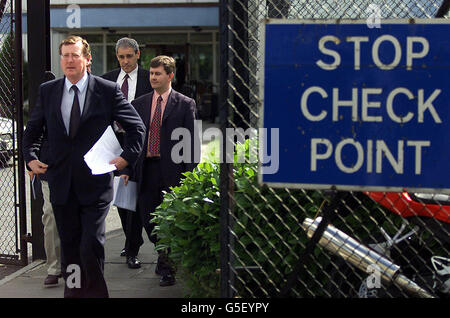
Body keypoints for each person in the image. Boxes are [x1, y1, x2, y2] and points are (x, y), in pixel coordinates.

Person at [22, 35, 145, 298]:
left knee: (90, 244)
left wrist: (126, 158)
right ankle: (75, 293)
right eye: (65, 55)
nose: (69, 60)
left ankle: (96, 294)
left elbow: (136, 127)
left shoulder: (106, 90)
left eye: (74, 55)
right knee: (70, 246)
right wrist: (30, 157)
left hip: (95, 184)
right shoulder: (49, 91)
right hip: (61, 183)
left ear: (87, 59)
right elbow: (32, 130)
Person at [123, 55, 200, 287]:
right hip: (146, 170)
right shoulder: (140, 104)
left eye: (158, 74)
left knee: (171, 220)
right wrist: (126, 166)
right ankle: (163, 253)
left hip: (173, 171)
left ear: (170, 76)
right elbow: (131, 139)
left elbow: (192, 143)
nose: (153, 77)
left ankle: (168, 267)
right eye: (151, 73)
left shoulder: (185, 104)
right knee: (149, 220)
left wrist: (190, 176)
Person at [101, 37, 152, 269]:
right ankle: (132, 239)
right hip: (114, 142)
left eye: (129, 56)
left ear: (138, 54)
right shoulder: (107, 80)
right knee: (122, 198)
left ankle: (133, 248)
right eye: (121, 57)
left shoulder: (148, 78)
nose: (125, 61)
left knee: (136, 194)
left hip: (140, 142)